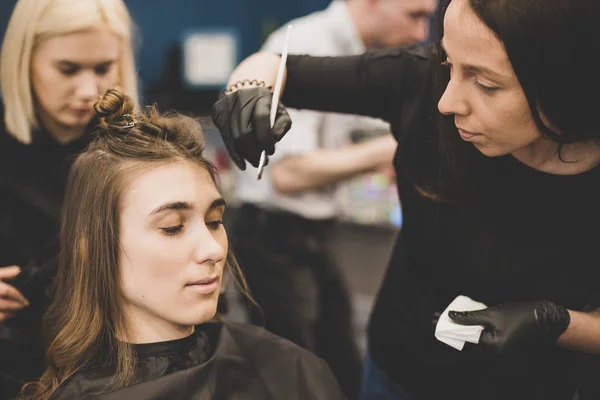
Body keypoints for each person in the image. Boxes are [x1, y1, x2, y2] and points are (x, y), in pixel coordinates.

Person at [211, 0, 600, 398]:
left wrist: (556, 323)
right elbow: (274, 63)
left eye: (486, 84)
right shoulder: (419, 80)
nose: (447, 102)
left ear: (565, 89)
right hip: (397, 369)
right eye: (449, 66)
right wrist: (246, 91)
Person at [19, 88, 345, 400]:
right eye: (173, 228)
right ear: (96, 246)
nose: (214, 250)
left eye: (215, 222)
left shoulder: (288, 370)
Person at [229, 1, 435, 398]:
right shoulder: (307, 43)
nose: (422, 33)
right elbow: (289, 175)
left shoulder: (362, 52)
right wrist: (397, 144)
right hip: (271, 238)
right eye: (414, 15)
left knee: (342, 366)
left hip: (317, 235)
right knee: (294, 377)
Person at [0, 0, 138, 396]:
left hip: (113, 369)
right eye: (67, 69)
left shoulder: (134, 149)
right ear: (25, 60)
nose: (88, 91)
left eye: (102, 68)